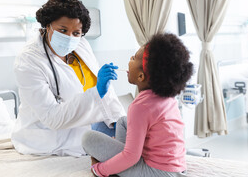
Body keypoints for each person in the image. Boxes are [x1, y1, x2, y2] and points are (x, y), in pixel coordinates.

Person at [11, 0, 126, 157]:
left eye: (76, 32)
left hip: (88, 124)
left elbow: (107, 94)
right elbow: (52, 118)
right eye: (63, 30)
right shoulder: (29, 61)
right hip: (52, 137)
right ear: (47, 25)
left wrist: (119, 123)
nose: (69, 38)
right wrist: (96, 92)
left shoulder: (81, 45)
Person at [82, 33, 193, 177]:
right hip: (176, 167)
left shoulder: (140, 107)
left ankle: (118, 166)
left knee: (88, 138)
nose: (130, 59)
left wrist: (99, 169)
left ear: (141, 76)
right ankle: (120, 161)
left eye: (133, 58)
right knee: (122, 121)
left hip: (156, 173)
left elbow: (131, 157)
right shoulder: (168, 98)